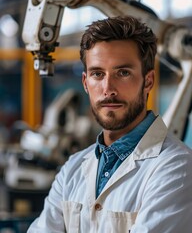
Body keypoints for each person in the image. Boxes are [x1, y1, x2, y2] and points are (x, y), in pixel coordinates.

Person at [27, 16, 192, 233]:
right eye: (97, 74)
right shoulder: (72, 169)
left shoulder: (176, 168)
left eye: (123, 73)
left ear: (148, 81)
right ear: (86, 83)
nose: (108, 89)